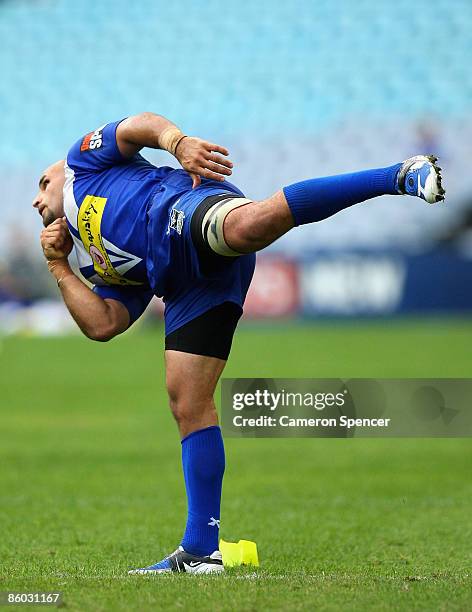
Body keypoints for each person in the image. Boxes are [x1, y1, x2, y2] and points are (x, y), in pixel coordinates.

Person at [34, 112, 445, 574]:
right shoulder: (94, 264)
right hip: (188, 285)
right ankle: (201, 550)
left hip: (179, 207)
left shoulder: (80, 165)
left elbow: (135, 126)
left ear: (58, 174)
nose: (36, 199)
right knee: (187, 401)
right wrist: (60, 268)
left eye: (41, 184)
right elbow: (104, 323)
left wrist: (177, 142)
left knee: (247, 226)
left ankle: (399, 174)